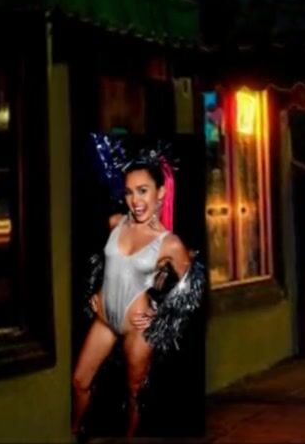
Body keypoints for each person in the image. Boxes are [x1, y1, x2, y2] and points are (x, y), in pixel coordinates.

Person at [71, 158, 199, 440]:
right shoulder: (115, 223)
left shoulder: (170, 243)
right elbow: (99, 261)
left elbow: (192, 289)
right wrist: (93, 290)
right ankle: (72, 432)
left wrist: (162, 315)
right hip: (104, 320)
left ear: (161, 192)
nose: (135, 200)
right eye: (129, 192)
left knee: (134, 393)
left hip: (137, 328)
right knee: (79, 381)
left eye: (143, 190)